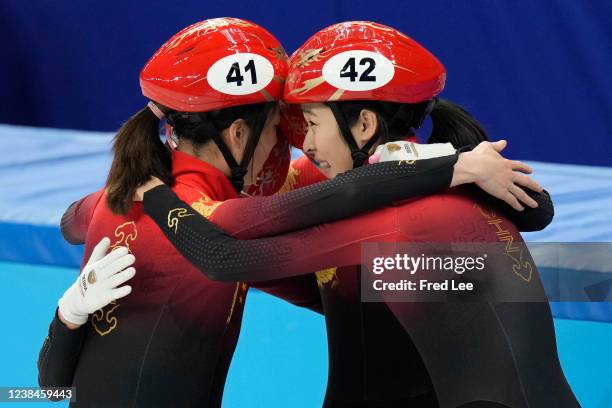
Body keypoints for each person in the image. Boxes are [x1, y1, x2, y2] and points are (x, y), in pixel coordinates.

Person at [37, 18, 537, 407]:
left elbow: (72, 226)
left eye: (309, 124)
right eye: (286, 127)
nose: (299, 143)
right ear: (238, 136)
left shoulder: (121, 195)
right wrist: (452, 164)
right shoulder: (220, 209)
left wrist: (67, 316)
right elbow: (236, 248)